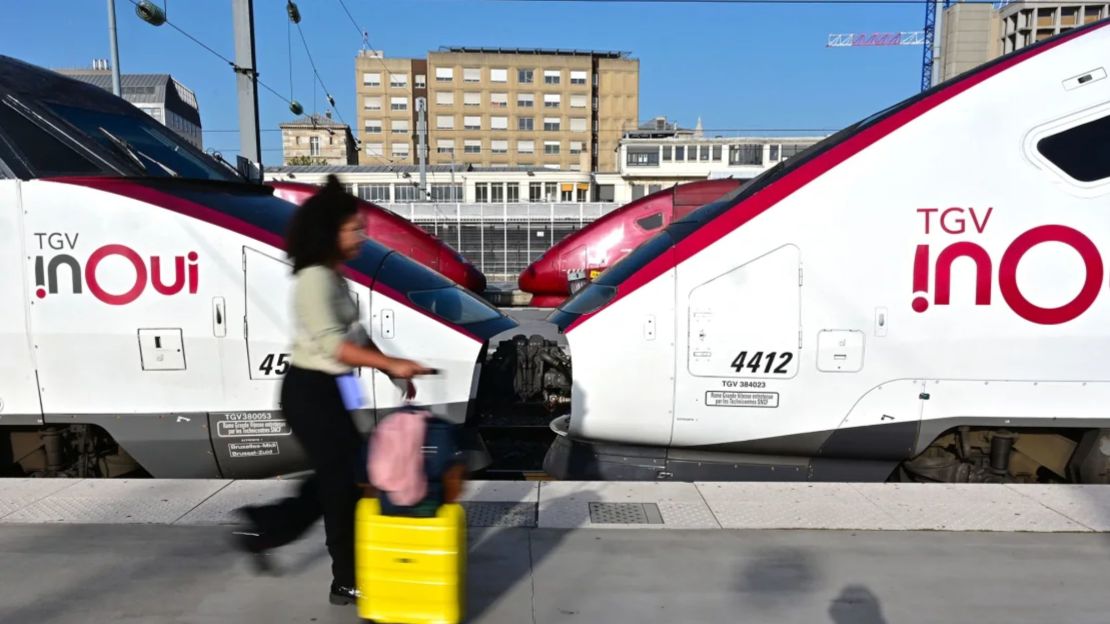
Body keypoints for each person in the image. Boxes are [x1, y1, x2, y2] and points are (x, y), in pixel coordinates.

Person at [233, 175, 433, 605]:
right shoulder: (313, 280)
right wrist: (390, 363)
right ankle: (346, 579)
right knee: (341, 485)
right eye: (354, 228)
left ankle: (265, 526)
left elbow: (354, 334)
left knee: (337, 478)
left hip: (332, 389)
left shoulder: (334, 277)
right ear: (330, 232)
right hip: (310, 393)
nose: (362, 235)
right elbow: (332, 344)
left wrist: (391, 370)